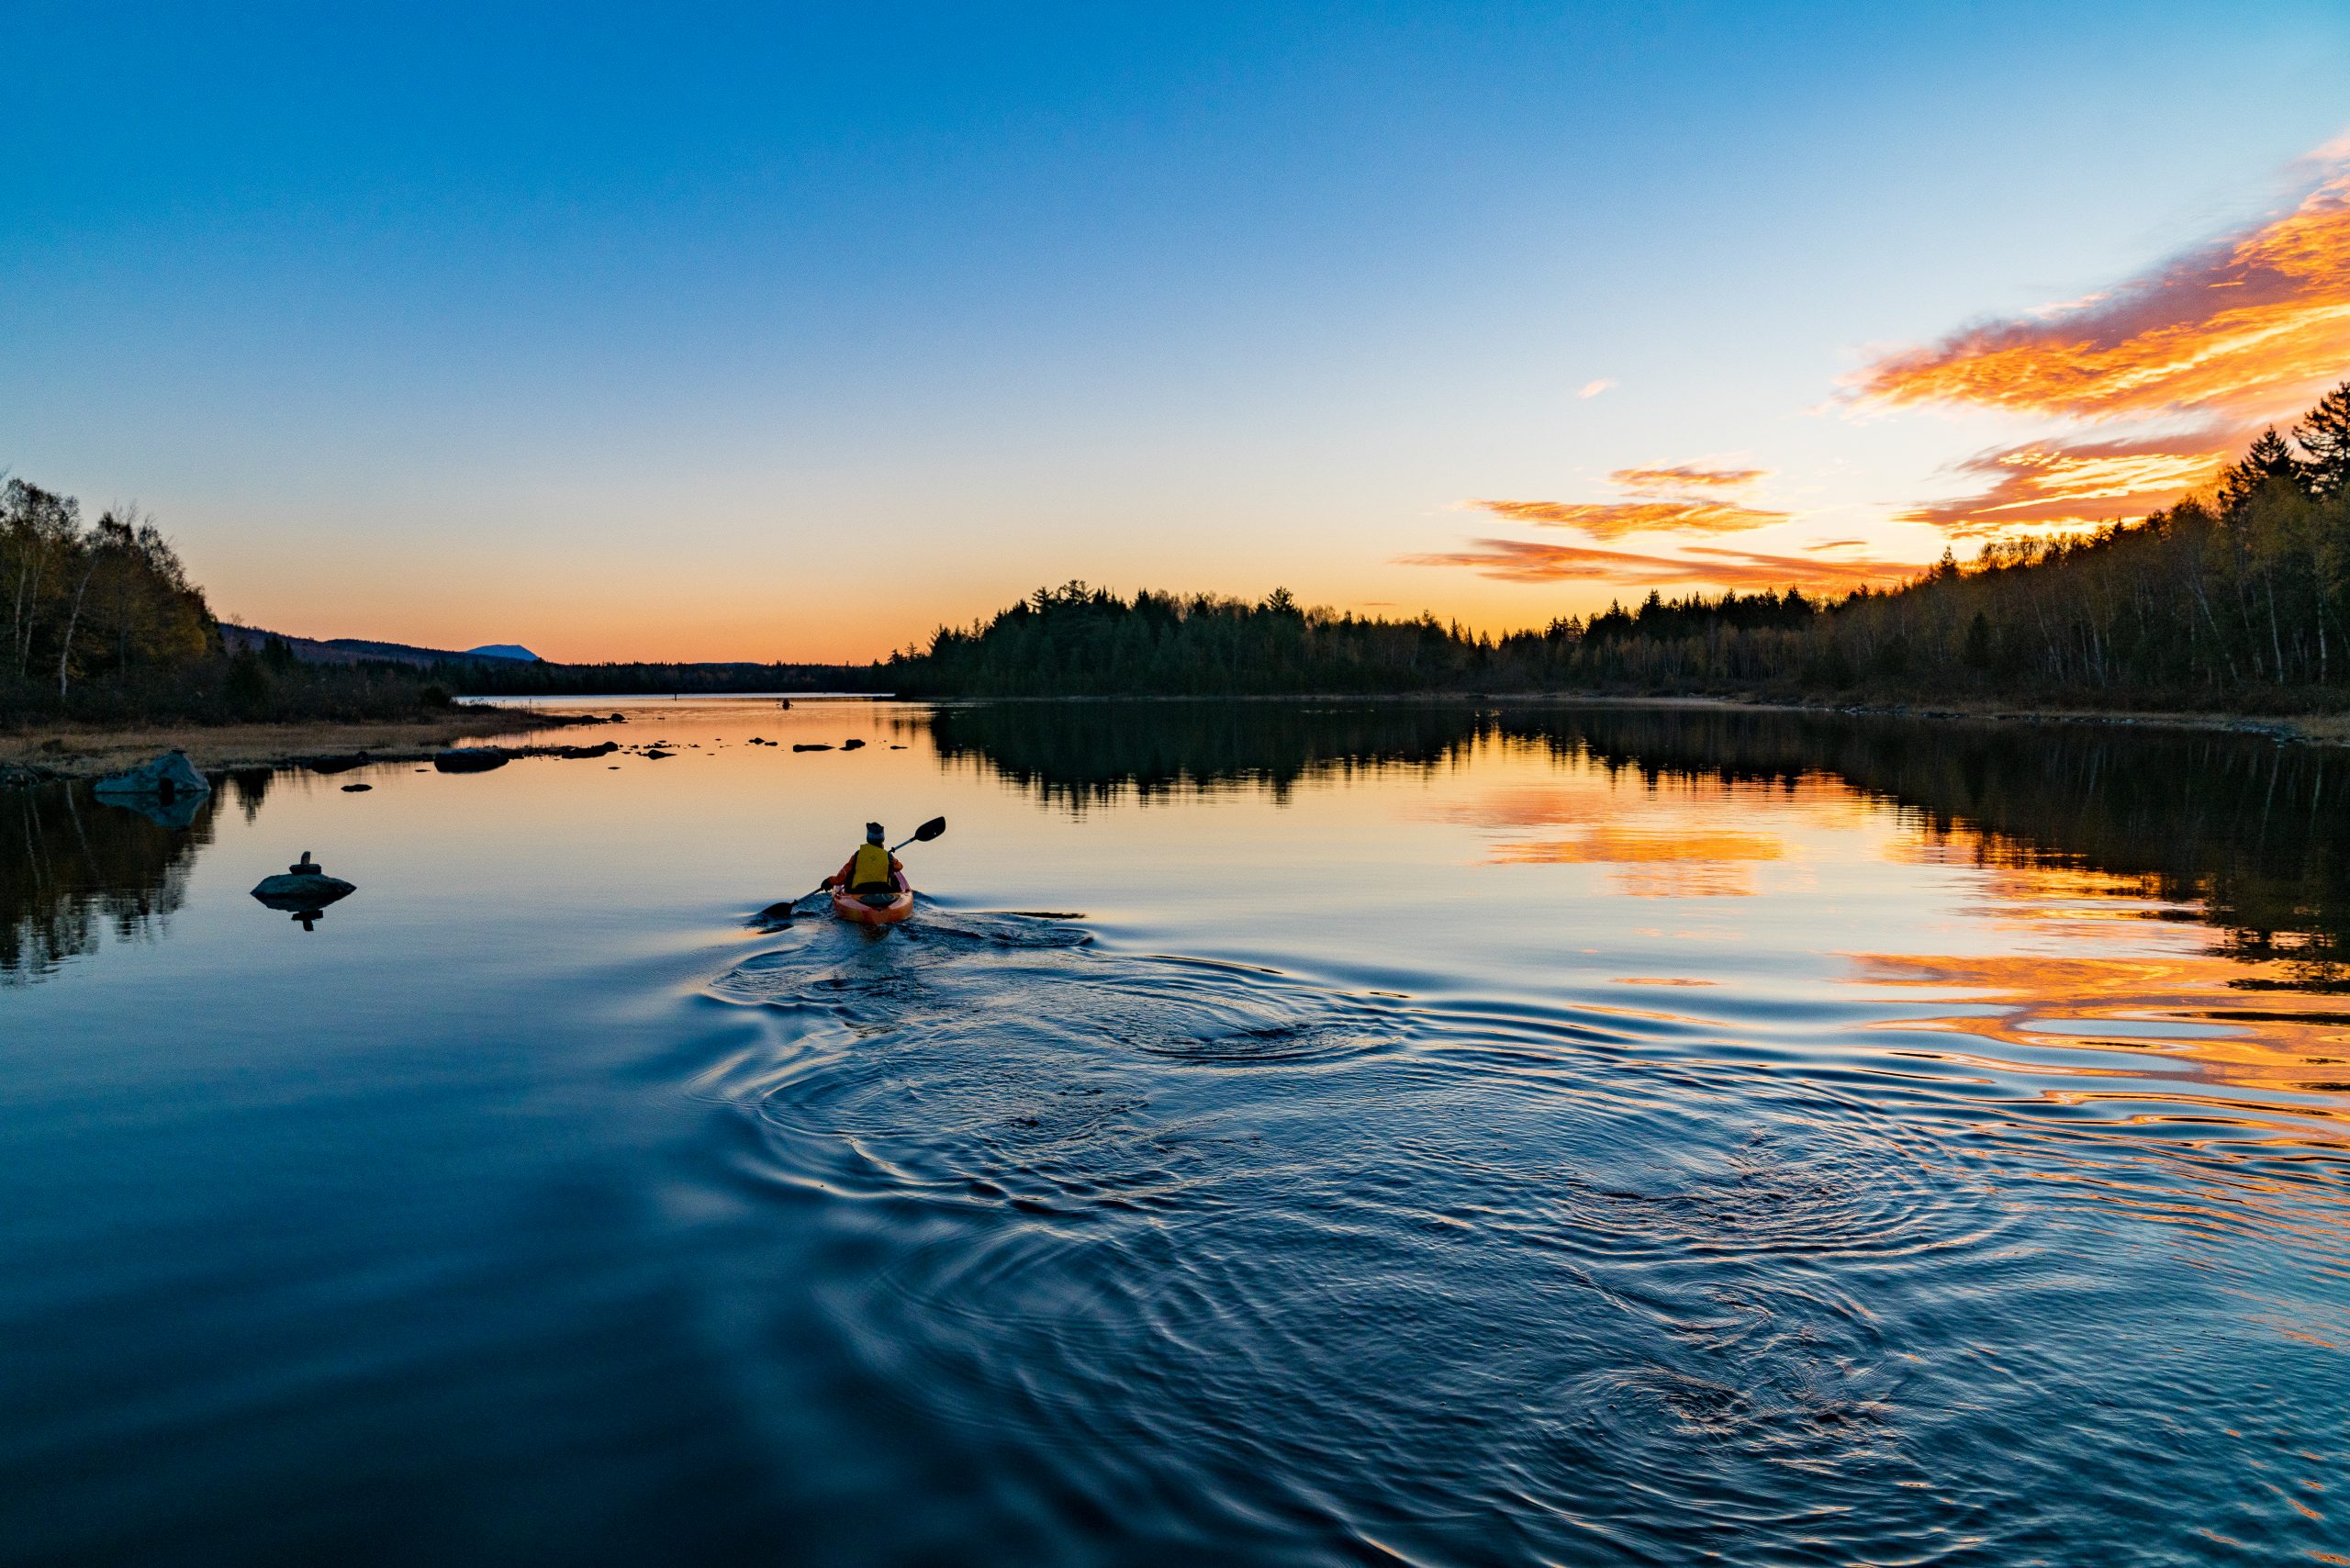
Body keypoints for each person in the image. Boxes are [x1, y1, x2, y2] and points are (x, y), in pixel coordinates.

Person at [825, 822, 906, 900]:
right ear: (882, 838)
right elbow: (899, 867)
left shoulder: (858, 855)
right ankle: (899, 897)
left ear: (868, 837)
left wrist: (829, 881)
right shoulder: (888, 856)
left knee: (850, 874)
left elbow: (842, 876)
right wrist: (888, 858)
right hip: (883, 889)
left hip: (859, 890)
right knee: (893, 874)